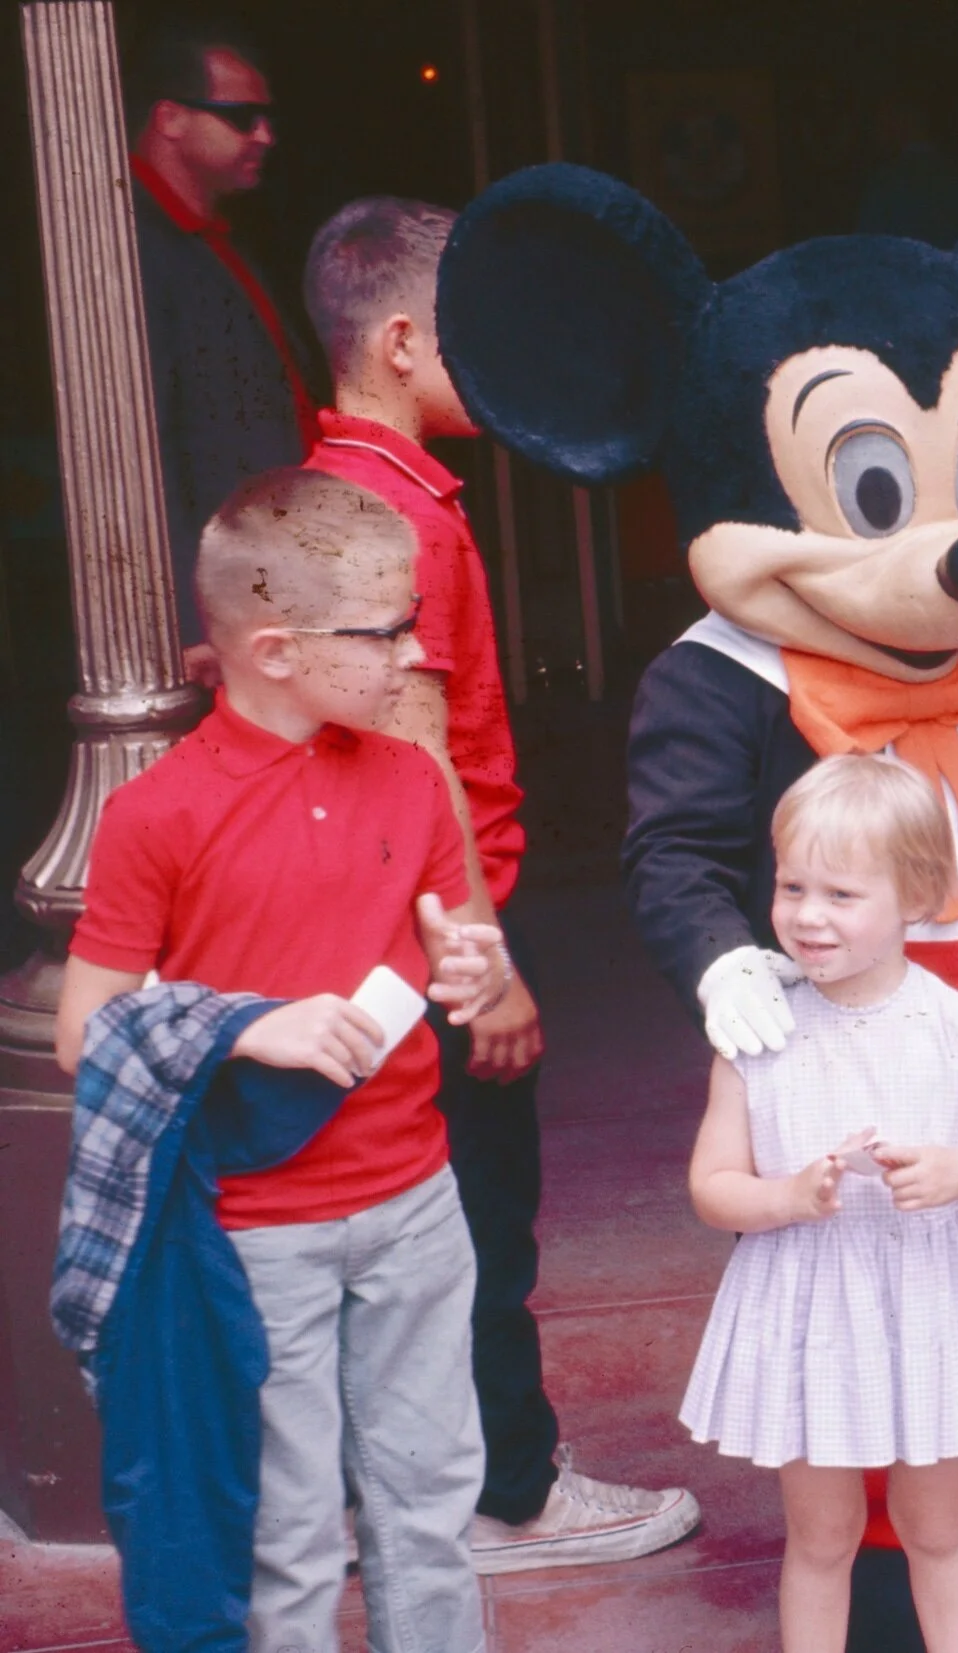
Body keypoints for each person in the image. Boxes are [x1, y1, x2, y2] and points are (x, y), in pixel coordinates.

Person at [299, 195, 699, 1573]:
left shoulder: (326, 489)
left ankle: (420, 1483)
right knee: (475, 1221)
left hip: (360, 928)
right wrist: (486, 965)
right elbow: (419, 766)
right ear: (404, 339)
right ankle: (507, 1496)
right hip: (426, 937)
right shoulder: (398, 517)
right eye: (473, 328)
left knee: (412, 1224)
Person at [54, 467, 513, 1651]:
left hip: (417, 1201)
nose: (414, 654)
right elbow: (82, 1032)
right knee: (291, 1533)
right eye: (387, 630)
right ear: (272, 649)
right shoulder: (156, 815)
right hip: (259, 1233)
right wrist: (249, 1023)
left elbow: (465, 948)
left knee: (431, 1511)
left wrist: (477, 975)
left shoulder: (411, 776)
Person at [682, 754, 958, 1653]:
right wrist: (785, 1194)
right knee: (821, 1534)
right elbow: (712, 1184)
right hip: (812, 1305)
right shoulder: (758, 1031)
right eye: (791, 886)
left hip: (931, 1299)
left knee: (938, 1528)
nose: (807, 915)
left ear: (921, 897)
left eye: (841, 894)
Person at [124, 21, 319, 669]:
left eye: (265, 117)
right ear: (170, 119)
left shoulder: (209, 235)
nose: (265, 135)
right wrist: (187, 614)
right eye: (241, 117)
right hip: (219, 606)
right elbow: (138, 448)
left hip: (263, 572)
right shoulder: (131, 245)